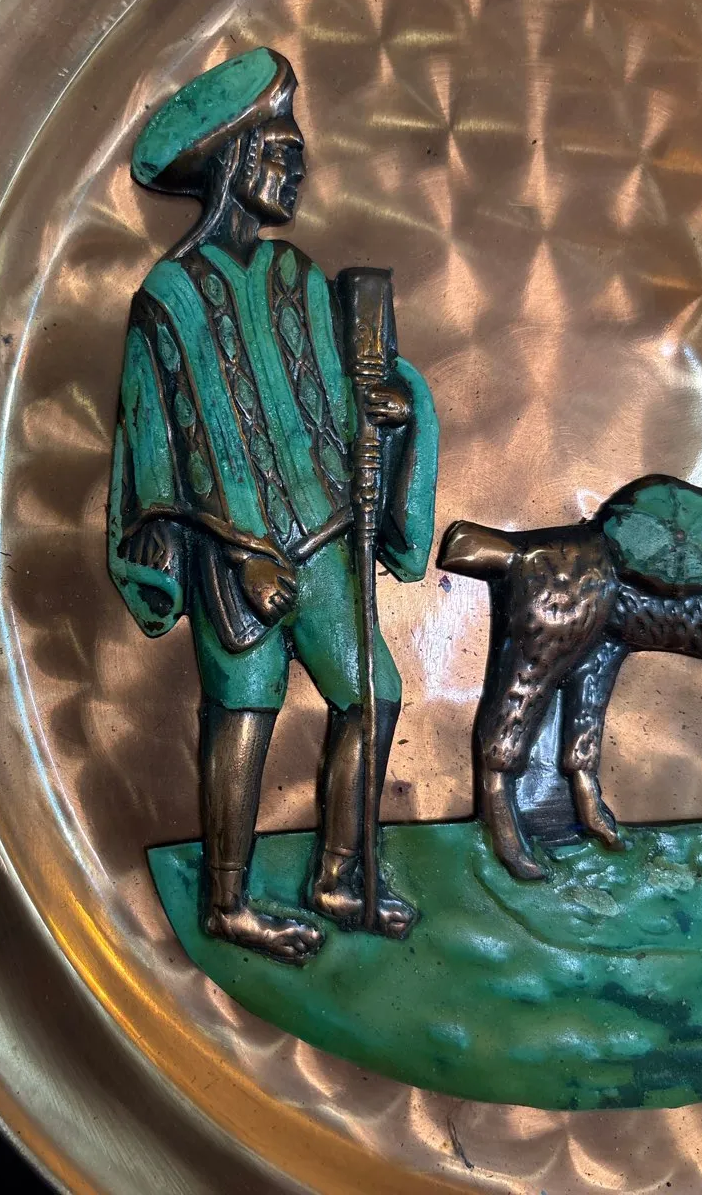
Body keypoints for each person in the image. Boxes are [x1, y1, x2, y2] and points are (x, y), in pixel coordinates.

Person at [109, 48, 438, 962]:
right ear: (235, 158)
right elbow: (159, 455)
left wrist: (390, 411)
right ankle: (227, 903)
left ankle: (338, 873)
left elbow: (338, 408)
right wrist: (236, 548)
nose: (298, 168)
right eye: (283, 150)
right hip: (235, 554)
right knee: (243, 711)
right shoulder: (167, 298)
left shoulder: (299, 276)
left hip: (325, 537)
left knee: (373, 696)